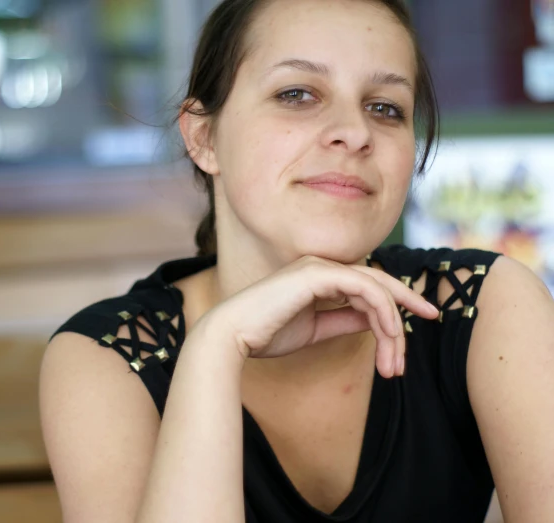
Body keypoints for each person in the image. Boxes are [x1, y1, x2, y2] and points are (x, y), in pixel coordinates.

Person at [40, 0, 554, 521]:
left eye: (385, 107)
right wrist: (216, 349)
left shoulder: (487, 304)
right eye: (297, 94)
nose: (355, 132)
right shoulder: (108, 357)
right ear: (203, 137)